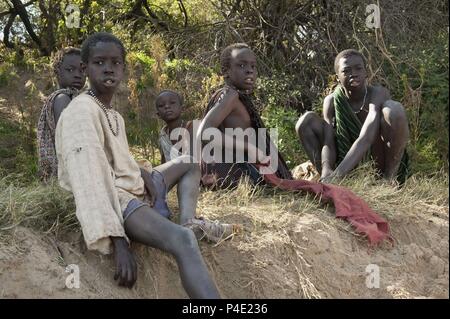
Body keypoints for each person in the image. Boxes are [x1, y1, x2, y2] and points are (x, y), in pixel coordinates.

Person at [55, 32, 223, 298]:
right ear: (85, 69)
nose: (108, 68)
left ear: (123, 68)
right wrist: (119, 241)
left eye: (115, 62)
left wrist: (141, 171)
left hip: (130, 183)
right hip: (116, 198)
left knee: (189, 163)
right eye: (99, 62)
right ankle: (186, 234)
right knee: (183, 241)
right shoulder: (81, 111)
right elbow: (89, 180)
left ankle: (189, 220)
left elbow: (118, 158)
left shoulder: (112, 113)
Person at [295, 49, 409, 184]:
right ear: (337, 76)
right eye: (346, 71)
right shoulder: (332, 101)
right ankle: (327, 181)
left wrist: (338, 173)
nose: (353, 74)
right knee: (306, 121)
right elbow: (328, 141)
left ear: (366, 73)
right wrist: (327, 168)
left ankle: (389, 180)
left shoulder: (378, 94)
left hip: (377, 160)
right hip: (343, 160)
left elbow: (366, 137)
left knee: (393, 109)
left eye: (358, 69)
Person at [198, 43, 292, 189]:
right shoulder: (230, 96)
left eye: (253, 67)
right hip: (231, 174)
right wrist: (249, 148)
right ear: (225, 71)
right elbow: (204, 132)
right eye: (241, 66)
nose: (249, 71)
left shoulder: (235, 96)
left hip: (232, 170)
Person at [37, 47, 86, 181]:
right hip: (66, 173)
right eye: (70, 70)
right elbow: (69, 142)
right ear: (58, 72)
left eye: (82, 70)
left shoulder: (73, 97)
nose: (77, 74)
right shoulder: (62, 99)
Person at [155, 89, 194, 163]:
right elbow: (164, 163)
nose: (167, 106)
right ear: (158, 115)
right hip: (172, 173)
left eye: (172, 103)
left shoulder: (191, 128)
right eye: (161, 105)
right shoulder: (164, 135)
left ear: (182, 109)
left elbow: (192, 161)